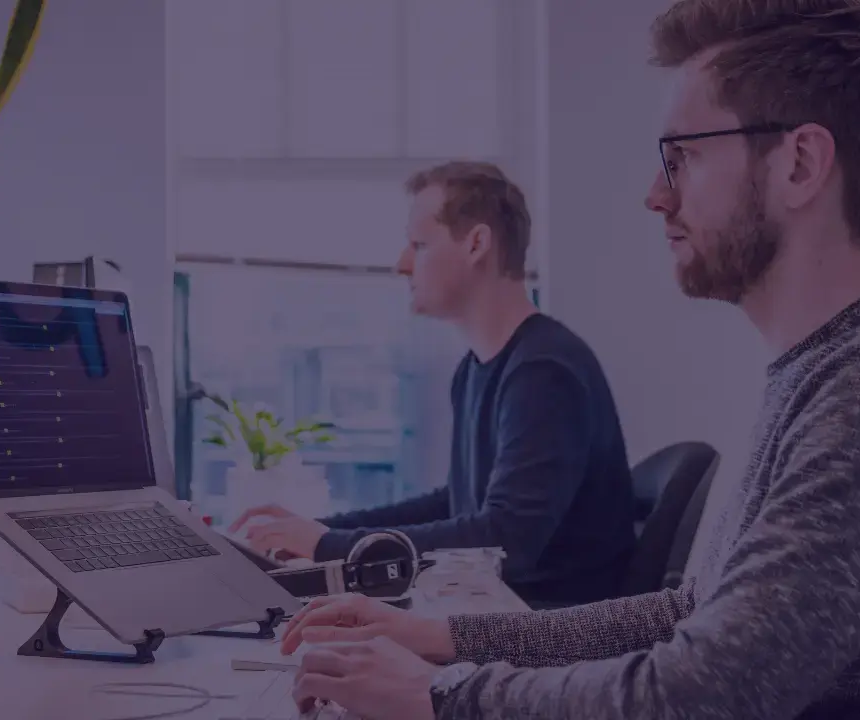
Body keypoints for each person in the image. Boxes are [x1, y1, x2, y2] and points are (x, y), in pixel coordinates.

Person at [273, 1, 860, 718]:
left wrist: (441, 698)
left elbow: (699, 698)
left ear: (799, 164)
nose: (654, 196)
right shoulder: (831, 371)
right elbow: (690, 615)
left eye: (682, 159)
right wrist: (439, 640)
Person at [228, 161, 639, 608]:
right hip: (498, 611)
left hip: (542, 633)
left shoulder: (544, 372)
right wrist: (324, 532)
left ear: (476, 244)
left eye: (419, 245)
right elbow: (459, 505)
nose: (402, 265)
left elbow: (506, 541)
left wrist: (331, 546)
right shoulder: (478, 369)